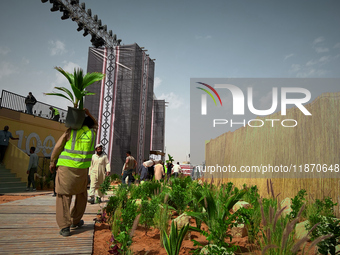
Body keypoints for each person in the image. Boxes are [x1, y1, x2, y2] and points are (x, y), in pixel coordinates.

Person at [49, 108, 97, 237]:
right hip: (81, 170)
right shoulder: (92, 132)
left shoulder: (70, 131)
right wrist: (88, 112)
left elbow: (58, 147)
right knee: (81, 195)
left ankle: (65, 227)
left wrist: (52, 162)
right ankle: (75, 221)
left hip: (66, 168)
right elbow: (96, 123)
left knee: (64, 196)